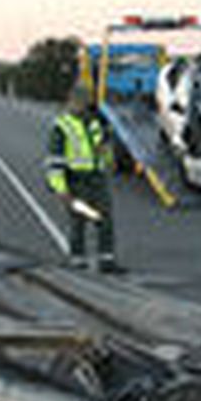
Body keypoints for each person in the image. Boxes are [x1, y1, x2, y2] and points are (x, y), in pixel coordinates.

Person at [46, 89, 118, 272]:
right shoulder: (62, 126)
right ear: (71, 102)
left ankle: (106, 260)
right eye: (79, 102)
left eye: (86, 102)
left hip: (97, 179)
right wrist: (61, 189)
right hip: (76, 181)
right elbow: (55, 162)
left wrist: (108, 159)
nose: (83, 105)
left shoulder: (94, 122)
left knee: (104, 219)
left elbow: (102, 147)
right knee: (78, 221)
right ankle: (77, 261)